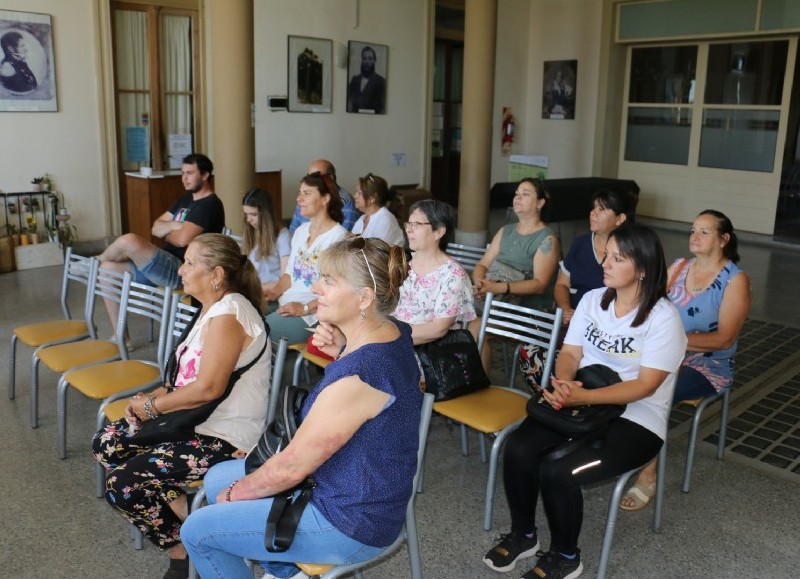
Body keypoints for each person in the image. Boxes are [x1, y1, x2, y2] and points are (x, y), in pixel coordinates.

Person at [180, 237, 422, 579]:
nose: (315, 288)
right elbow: (365, 409)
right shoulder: (391, 331)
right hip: (358, 482)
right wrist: (342, 348)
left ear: (364, 298)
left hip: (349, 520)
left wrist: (238, 495)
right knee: (215, 476)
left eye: (329, 281)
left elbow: (291, 469)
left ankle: (282, 564)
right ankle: (284, 567)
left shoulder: (360, 376)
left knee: (198, 531)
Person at [483, 224, 686, 579]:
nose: (605, 263)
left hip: (637, 419)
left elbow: (646, 386)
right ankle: (524, 535)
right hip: (582, 400)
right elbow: (571, 352)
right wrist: (564, 382)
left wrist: (583, 394)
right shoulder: (593, 299)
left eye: (617, 259)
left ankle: (566, 556)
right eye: (606, 255)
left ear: (642, 269)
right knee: (518, 448)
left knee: (558, 471)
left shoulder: (663, 318)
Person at [92, 233, 271, 579]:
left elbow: (208, 388)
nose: (181, 271)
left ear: (216, 274)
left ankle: (181, 552)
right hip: (193, 421)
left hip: (226, 437)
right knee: (107, 444)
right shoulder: (209, 310)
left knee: (123, 484)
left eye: (190, 263)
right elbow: (182, 380)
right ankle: (199, 527)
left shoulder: (231, 313)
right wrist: (147, 400)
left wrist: (155, 407)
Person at [620, 210, 751, 510]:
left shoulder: (735, 280)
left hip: (708, 367)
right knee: (623, 375)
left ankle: (647, 475)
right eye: (693, 230)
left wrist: (670, 343)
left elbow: (724, 340)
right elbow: (650, 306)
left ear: (724, 239)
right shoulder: (678, 268)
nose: (695, 236)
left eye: (704, 231)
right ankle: (616, 445)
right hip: (666, 355)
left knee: (653, 389)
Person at [97, 153, 224, 347]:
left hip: (182, 270)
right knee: (107, 270)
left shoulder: (210, 205)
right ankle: (122, 337)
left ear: (205, 175)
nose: (184, 178)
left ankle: (93, 262)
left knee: (130, 240)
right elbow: (156, 227)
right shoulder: (184, 201)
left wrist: (170, 230)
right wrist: (176, 226)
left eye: (190, 173)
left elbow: (182, 241)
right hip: (162, 263)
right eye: (182, 173)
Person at [470, 177, 560, 370]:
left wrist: (497, 287)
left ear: (540, 203)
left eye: (525, 194)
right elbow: (483, 264)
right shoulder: (505, 231)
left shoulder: (547, 239)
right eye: (517, 194)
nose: (518, 198)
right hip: (497, 302)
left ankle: (479, 387)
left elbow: (539, 284)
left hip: (529, 311)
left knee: (477, 328)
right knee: (453, 317)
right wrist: (480, 283)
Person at [264, 172, 348, 344]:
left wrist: (304, 308)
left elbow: (336, 290)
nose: (299, 199)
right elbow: (289, 275)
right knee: (244, 314)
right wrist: (273, 292)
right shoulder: (302, 231)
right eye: (300, 193)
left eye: (307, 193)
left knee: (258, 330)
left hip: (313, 314)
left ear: (325, 199)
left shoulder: (338, 237)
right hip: (287, 302)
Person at [393, 199, 476, 344]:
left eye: (417, 224)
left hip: (428, 352)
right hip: (394, 341)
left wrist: (392, 338)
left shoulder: (453, 274)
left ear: (439, 232)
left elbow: (438, 329)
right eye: (409, 224)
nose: (409, 229)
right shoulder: (403, 264)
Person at [554, 189, 637, 326]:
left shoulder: (630, 252)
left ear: (620, 219)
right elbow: (562, 284)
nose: (593, 212)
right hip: (572, 318)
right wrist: (566, 309)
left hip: (607, 325)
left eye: (602, 209)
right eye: (593, 208)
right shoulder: (580, 244)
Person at [240, 188, 291, 309]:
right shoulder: (252, 233)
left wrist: (253, 287)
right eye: (246, 214)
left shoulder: (282, 236)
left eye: (253, 214)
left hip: (272, 297)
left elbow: (285, 279)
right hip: (253, 293)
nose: (248, 220)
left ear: (265, 214)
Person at [288, 159, 360, 233]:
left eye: (316, 177)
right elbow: (292, 231)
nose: (310, 181)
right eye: (309, 176)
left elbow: (345, 239)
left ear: (330, 178)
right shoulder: (303, 200)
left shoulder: (346, 201)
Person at [351, 172, 405, 246]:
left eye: (359, 193)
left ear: (372, 198)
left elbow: (377, 253)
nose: (355, 196)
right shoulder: (362, 218)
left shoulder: (385, 220)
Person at [346, 45, 386, 114]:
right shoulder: (354, 80)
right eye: (364, 58)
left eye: (370, 58)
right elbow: (349, 103)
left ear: (374, 60)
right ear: (362, 60)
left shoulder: (381, 81)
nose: (367, 62)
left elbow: (382, 109)